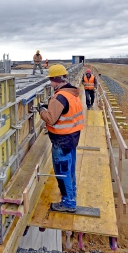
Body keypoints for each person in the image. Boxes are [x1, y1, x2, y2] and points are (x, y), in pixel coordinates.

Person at [38, 64, 84, 212]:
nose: (50, 83)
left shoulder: (60, 97)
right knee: (70, 170)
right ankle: (72, 193)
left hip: (61, 141)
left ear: (56, 79)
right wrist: (50, 105)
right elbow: (64, 111)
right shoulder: (71, 93)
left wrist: (41, 111)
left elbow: (51, 119)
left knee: (62, 172)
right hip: (71, 139)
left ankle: (69, 203)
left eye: (51, 80)